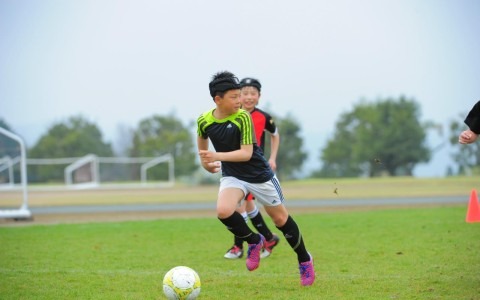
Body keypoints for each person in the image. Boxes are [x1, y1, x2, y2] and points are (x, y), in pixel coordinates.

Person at [197, 71, 315, 286]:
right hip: (233, 176)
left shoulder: (243, 117)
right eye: (234, 97)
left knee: (281, 220)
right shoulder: (205, 120)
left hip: (259, 176)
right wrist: (206, 162)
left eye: (240, 95)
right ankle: (254, 240)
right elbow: (202, 139)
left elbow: (246, 154)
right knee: (223, 211)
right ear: (217, 99)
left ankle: (304, 259)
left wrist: (217, 156)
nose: (240, 101)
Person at [223, 77, 281, 260]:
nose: (248, 97)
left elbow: (275, 135)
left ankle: (239, 246)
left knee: (239, 206)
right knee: (245, 205)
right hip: (234, 167)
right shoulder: (233, 114)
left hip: (253, 169)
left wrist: (272, 158)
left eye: (252, 94)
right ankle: (268, 239)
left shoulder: (264, 117)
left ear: (259, 96)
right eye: (245, 93)